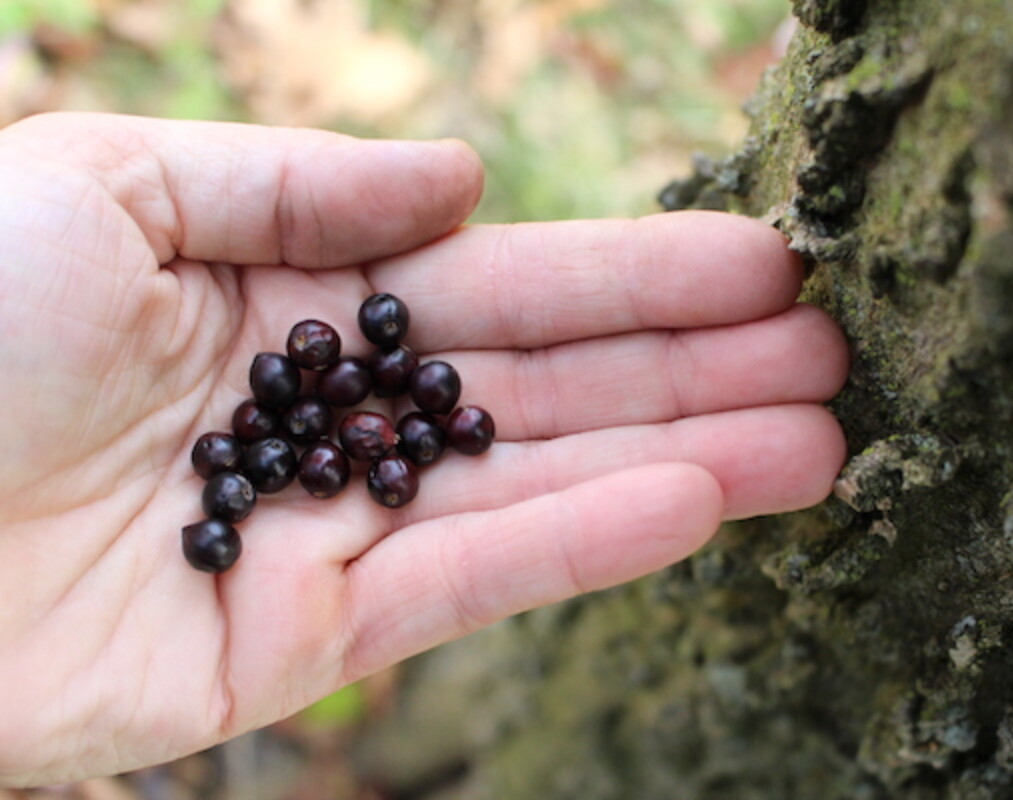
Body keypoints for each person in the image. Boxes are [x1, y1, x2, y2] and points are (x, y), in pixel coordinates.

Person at [0, 113, 849, 787]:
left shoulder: (349, 418)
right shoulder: (292, 434)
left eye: (369, 437)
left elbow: (340, 435)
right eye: (359, 438)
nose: (356, 438)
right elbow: (312, 439)